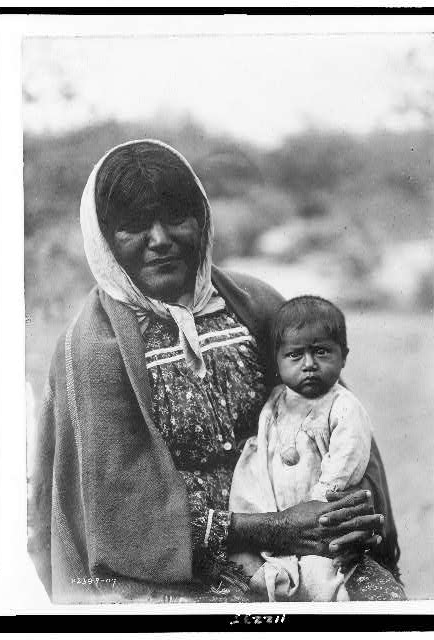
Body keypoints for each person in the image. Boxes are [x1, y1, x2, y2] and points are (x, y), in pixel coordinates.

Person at [29, 139, 404, 603]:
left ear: (202, 219)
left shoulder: (256, 305)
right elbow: (120, 520)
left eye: (177, 217)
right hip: (171, 572)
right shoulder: (93, 351)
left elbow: (337, 414)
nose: (161, 239)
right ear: (104, 239)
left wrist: (350, 507)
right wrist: (274, 530)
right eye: (133, 226)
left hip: (310, 534)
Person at [230, 295, 402, 601]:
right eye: (295, 355)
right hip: (283, 521)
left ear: (343, 356)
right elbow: (263, 451)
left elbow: (348, 458)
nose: (309, 364)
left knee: (324, 580)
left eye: (321, 352)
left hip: (322, 520)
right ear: (277, 360)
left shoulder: (342, 406)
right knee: (268, 578)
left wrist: (321, 504)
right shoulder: (275, 404)